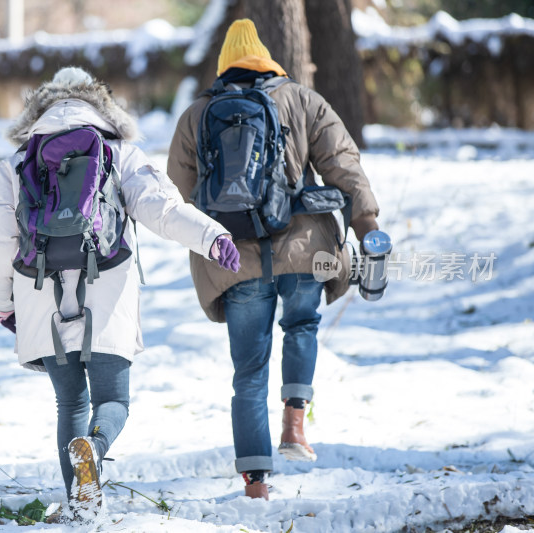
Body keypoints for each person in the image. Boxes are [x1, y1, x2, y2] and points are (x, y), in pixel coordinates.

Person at [0, 66, 240, 521]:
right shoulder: (119, 153)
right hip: (108, 291)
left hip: (41, 295)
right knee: (112, 401)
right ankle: (95, 449)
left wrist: (5, 305)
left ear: (42, 107)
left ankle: (84, 506)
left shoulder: (18, 164)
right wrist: (212, 237)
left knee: (70, 402)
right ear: (100, 104)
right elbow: (164, 208)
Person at [167, 19, 381, 500]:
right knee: (302, 326)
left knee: (248, 371)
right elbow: (343, 164)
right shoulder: (303, 101)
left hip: (232, 260)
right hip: (305, 251)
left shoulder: (198, 114)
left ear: (224, 66)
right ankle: (294, 424)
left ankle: (257, 484)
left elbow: (176, 195)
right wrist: (366, 223)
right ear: (268, 59)